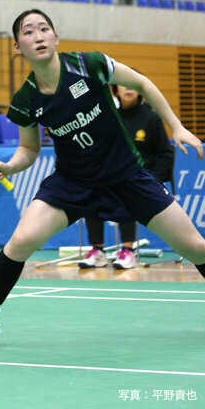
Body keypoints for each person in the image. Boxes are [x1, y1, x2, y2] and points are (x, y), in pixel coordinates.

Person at [0, 9, 205, 352]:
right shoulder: (25, 100)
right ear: (18, 46)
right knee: (20, 241)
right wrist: (9, 167)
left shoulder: (89, 64)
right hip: (73, 183)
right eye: (28, 32)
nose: (37, 35)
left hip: (127, 176)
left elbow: (141, 83)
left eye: (44, 28)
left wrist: (177, 125)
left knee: (196, 248)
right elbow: (29, 150)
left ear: (55, 38)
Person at [79, 79, 176, 269]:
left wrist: (154, 179)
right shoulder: (109, 116)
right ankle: (97, 250)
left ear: (140, 91)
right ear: (116, 90)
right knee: (91, 191)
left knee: (126, 189)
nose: (128, 88)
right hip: (112, 174)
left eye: (133, 85)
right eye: (124, 84)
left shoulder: (151, 118)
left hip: (141, 177)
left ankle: (127, 251)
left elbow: (165, 152)